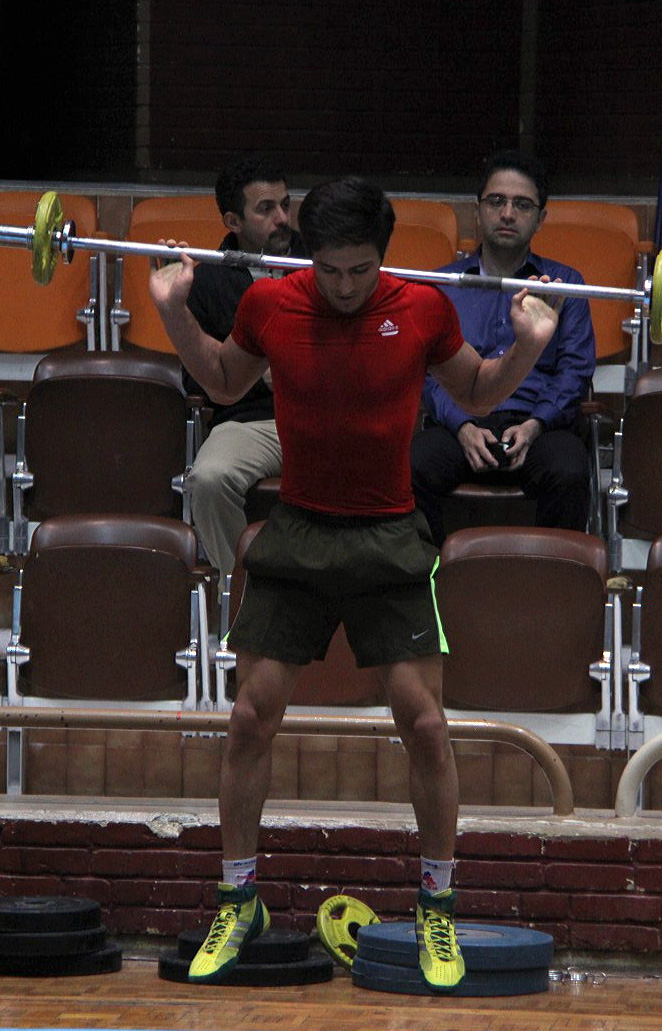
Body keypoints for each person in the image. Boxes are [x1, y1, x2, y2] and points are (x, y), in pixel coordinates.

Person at [149, 176, 559, 993]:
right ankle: (238, 899)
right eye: (330, 270)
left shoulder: (421, 308)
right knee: (248, 716)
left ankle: (436, 906)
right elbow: (224, 382)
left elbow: (476, 390)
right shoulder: (270, 303)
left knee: (426, 724)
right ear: (310, 256)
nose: (343, 286)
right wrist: (173, 311)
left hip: (387, 537)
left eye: (360, 270)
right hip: (299, 532)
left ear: (383, 256)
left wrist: (528, 344)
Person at [410, 150, 596, 547]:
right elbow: (426, 374)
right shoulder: (441, 285)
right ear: (477, 211)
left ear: (541, 218)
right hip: (458, 426)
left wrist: (536, 424)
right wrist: (462, 426)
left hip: (537, 426)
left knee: (570, 470)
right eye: (496, 201)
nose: (507, 214)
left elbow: (575, 371)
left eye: (522, 205)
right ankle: (433, 577)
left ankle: (550, 580)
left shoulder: (563, 285)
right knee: (411, 466)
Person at [184, 156, 304, 588]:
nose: (282, 218)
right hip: (251, 422)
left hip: (324, 416)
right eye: (266, 209)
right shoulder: (206, 280)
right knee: (208, 480)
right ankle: (247, 597)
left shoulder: (326, 265)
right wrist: (251, 374)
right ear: (233, 221)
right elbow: (196, 381)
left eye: (285, 205)